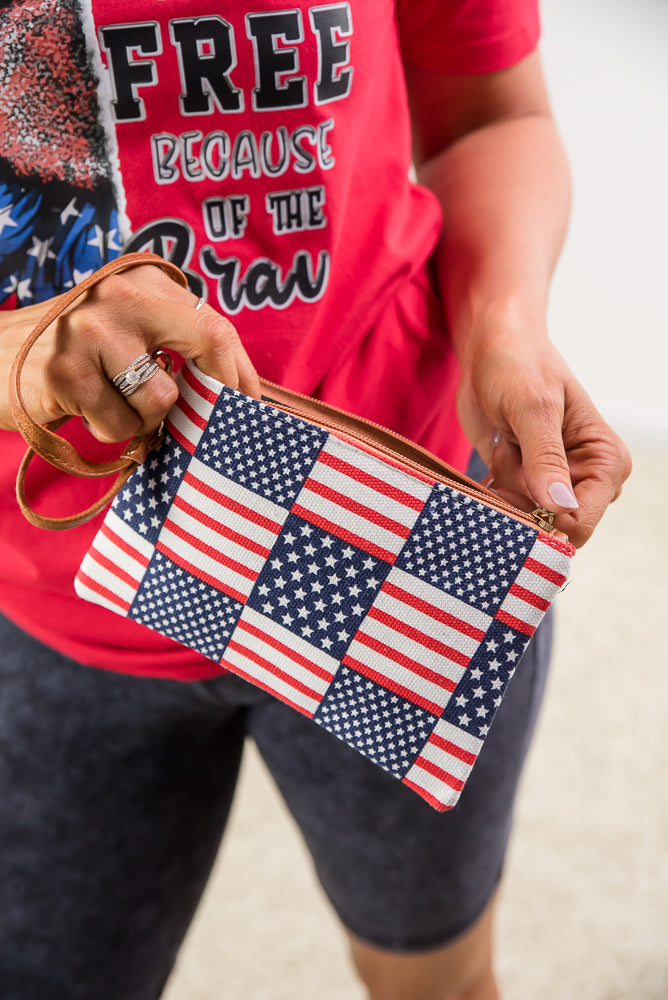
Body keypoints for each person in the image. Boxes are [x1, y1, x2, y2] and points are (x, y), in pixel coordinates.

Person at [0, 1, 630, 998]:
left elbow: (487, 116)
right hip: (43, 592)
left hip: (406, 541)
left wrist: (502, 328)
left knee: (439, 978)